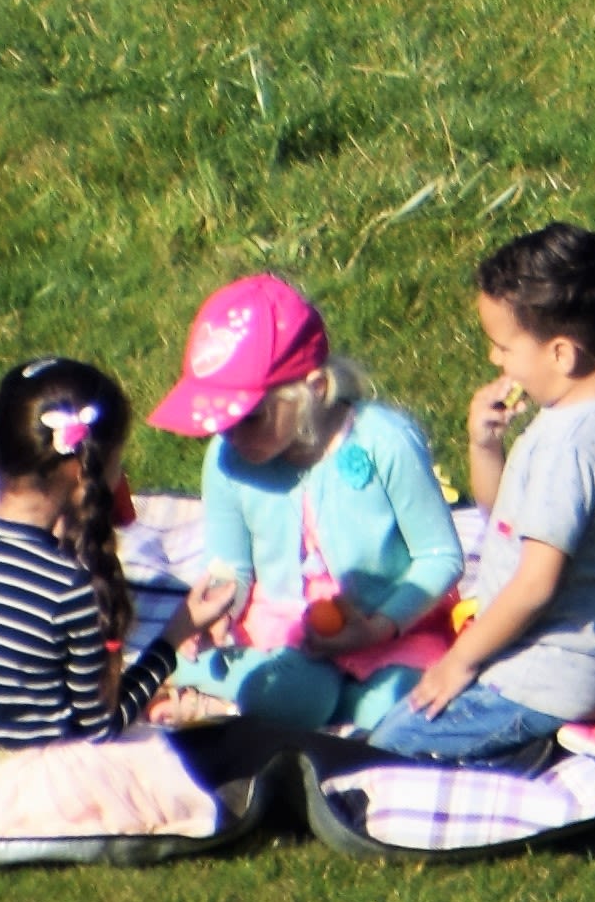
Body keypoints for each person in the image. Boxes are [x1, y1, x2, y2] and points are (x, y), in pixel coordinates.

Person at [148, 272, 464, 742]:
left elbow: (441, 557)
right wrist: (220, 610)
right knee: (297, 695)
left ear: (314, 389)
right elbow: (230, 565)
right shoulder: (228, 457)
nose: (231, 434)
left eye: (249, 418)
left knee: (399, 706)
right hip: (286, 633)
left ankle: (250, 701)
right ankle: (220, 686)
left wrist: (376, 629)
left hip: (390, 628)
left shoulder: (384, 443)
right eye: (223, 422)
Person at [375, 223, 595, 770]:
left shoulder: (570, 446)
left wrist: (460, 662)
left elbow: (534, 586)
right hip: (542, 666)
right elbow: (504, 517)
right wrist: (485, 445)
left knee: (390, 744)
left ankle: (541, 754)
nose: (497, 361)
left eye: (504, 347)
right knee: (398, 709)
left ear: (562, 354)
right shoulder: (584, 417)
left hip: (544, 678)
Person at [0, 357, 229, 757]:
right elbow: (100, 728)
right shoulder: (68, 587)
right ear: (86, 471)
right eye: (117, 464)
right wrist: (174, 635)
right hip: (34, 796)